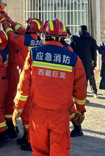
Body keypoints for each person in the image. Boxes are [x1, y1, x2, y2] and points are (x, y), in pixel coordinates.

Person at [13, 18, 87, 156]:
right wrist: (80, 111)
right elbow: (80, 90)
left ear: (45, 35)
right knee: (59, 151)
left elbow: (23, 85)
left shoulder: (34, 54)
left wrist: (18, 108)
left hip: (38, 114)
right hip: (60, 115)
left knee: (39, 151)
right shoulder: (73, 59)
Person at [0, 13, 42, 150]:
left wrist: (3, 22)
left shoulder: (24, 39)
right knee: (28, 107)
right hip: (34, 77)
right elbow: (19, 29)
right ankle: (26, 136)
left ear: (30, 27)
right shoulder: (36, 39)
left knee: (24, 108)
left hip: (24, 76)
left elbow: (12, 36)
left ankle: (30, 140)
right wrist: (7, 17)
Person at [68, 25, 98, 138]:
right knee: (82, 84)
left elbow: (70, 51)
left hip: (74, 65)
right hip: (86, 65)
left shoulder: (74, 38)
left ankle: (73, 96)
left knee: (72, 84)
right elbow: (94, 52)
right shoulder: (91, 40)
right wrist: (94, 62)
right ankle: (82, 99)